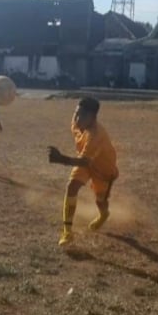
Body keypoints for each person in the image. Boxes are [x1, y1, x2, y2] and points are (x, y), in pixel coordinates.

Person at [47, 97, 118, 246]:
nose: (78, 118)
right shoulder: (77, 123)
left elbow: (85, 161)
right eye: (76, 113)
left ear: (93, 117)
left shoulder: (96, 135)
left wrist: (61, 159)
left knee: (101, 201)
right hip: (85, 162)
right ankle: (67, 232)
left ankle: (104, 214)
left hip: (103, 169)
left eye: (83, 115)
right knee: (71, 186)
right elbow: (85, 161)